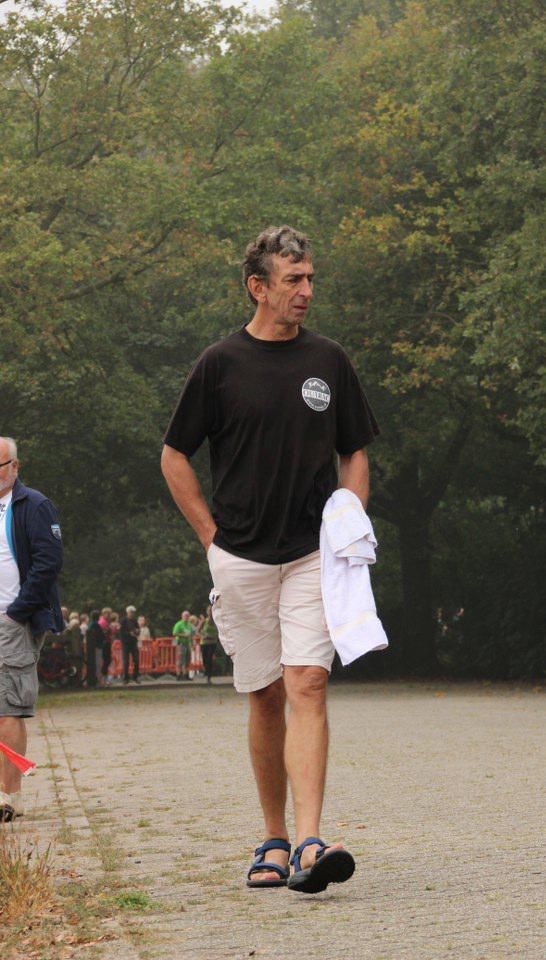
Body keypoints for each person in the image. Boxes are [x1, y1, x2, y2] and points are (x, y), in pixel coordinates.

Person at [161, 225, 378, 892]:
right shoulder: (219, 364)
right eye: (294, 280)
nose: (307, 290)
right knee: (263, 697)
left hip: (313, 554)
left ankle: (312, 842)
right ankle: (274, 839)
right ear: (258, 287)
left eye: (310, 277)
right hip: (242, 559)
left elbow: (356, 450)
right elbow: (174, 456)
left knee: (307, 682)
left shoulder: (330, 360)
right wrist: (208, 535)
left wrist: (349, 520)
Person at [0, 436, 63, 821]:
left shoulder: (34, 505)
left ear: (15, 467)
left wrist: (17, 612)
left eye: (0, 466)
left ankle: (8, 797)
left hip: (13, 620)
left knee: (8, 709)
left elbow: (48, 561)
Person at [119, 605, 140, 684]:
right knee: (126, 661)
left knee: (136, 660)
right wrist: (129, 634)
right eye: (131, 612)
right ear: (127, 612)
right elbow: (121, 632)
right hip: (125, 643)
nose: (132, 614)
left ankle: (135, 677)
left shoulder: (134, 620)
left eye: (133, 612)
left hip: (133, 642)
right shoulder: (123, 620)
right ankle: (125, 678)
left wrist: (137, 632)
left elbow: (138, 629)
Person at [172, 609, 194, 681]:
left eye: (188, 616)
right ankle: (178, 675)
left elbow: (192, 634)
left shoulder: (190, 625)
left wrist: (192, 643)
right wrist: (183, 635)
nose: (186, 617)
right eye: (185, 616)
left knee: (187, 660)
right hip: (180, 643)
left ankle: (186, 674)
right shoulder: (179, 624)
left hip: (187, 644)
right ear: (182, 616)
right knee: (180, 660)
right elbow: (174, 633)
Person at [85, 610, 105, 688]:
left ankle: (95, 680)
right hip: (97, 646)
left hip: (92, 647)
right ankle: (98, 681)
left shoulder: (90, 625)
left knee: (94, 664)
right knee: (98, 664)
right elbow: (101, 635)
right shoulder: (96, 625)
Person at [200, 605, 219, 685]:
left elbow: (221, 630)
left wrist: (215, 636)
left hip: (212, 642)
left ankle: (209, 676)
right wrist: (203, 635)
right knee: (204, 659)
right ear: (207, 612)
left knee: (209, 659)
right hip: (204, 642)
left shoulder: (217, 620)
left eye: (211, 610)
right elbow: (197, 630)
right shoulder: (204, 621)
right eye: (209, 610)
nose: (210, 612)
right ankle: (206, 671)